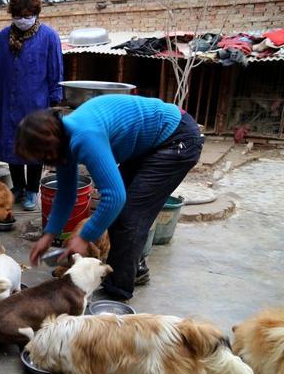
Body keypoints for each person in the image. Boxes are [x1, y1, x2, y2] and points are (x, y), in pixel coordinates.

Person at [17, 94, 204, 300]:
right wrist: (49, 235)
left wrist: (83, 237)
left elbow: (114, 197)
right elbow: (66, 194)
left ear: (50, 143)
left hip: (176, 138)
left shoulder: (84, 137)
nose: (44, 161)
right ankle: (135, 269)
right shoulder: (62, 142)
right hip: (149, 144)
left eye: (42, 156)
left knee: (129, 217)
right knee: (121, 216)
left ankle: (116, 297)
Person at [0, 0, 63, 211]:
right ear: (12, 14)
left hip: (37, 103)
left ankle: (31, 190)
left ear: (36, 13)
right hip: (7, 102)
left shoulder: (49, 37)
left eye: (28, 15)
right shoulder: (1, 39)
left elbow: (56, 71)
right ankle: (18, 187)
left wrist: (55, 101)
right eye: (18, 15)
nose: (23, 19)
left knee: (34, 146)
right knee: (11, 144)